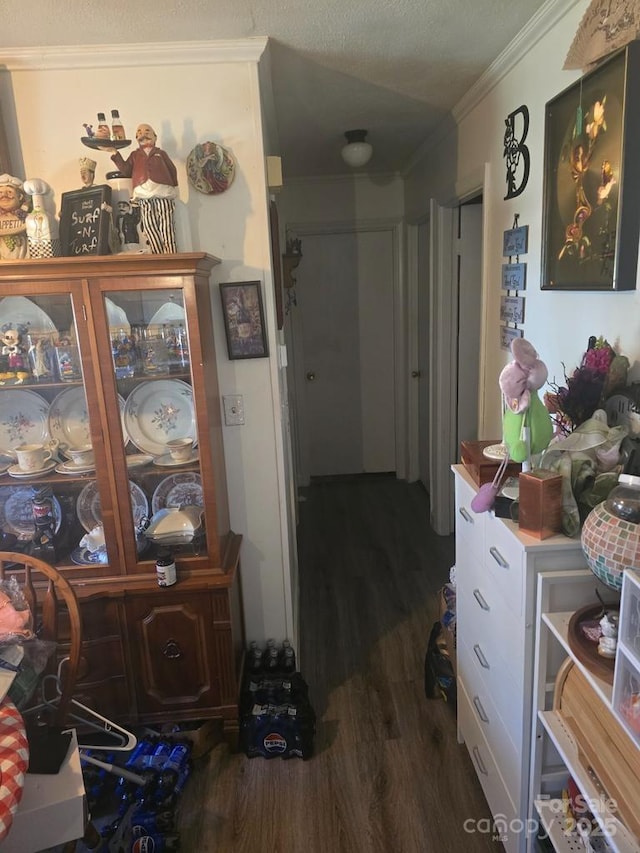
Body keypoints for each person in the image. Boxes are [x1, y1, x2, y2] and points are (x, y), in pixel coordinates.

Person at [108, 124, 178, 253]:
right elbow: (126, 170)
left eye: (147, 131)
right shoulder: (135, 155)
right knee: (149, 225)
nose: (143, 134)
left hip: (161, 193)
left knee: (166, 224)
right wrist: (115, 153)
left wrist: (175, 187)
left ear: (155, 137)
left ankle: (170, 253)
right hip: (143, 195)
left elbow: (172, 170)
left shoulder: (161, 154)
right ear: (136, 138)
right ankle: (158, 253)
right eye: (139, 132)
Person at [0, 174, 28, 260]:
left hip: (24, 259)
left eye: (9, 192)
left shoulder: (24, 216)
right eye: (0, 192)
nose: (4, 195)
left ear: (19, 197)